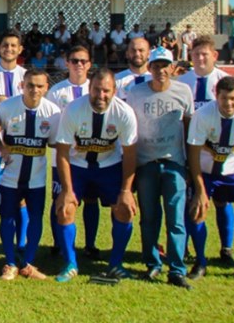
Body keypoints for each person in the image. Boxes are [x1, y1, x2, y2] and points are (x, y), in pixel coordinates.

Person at [54, 68, 138, 284]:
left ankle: (115, 264)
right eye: (96, 90)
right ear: (89, 88)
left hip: (110, 165)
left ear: (115, 90)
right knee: (65, 209)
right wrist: (66, 190)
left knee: (125, 210)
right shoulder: (73, 109)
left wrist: (126, 191)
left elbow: (130, 154)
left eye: (106, 91)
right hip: (78, 165)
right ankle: (70, 263)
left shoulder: (124, 112)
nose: (101, 96)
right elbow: (62, 151)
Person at [0, 68, 59, 281]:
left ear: (46, 88)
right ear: (22, 85)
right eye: (30, 85)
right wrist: (0, 147)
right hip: (10, 177)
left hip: (37, 178)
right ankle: (10, 263)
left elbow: (54, 142)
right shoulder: (7, 106)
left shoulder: (53, 112)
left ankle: (29, 263)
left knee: (35, 218)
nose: (34, 90)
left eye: (39, 86)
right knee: (8, 217)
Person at [125, 47, 194, 289]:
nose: (160, 70)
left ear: (172, 68)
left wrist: (188, 166)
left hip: (174, 163)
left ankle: (176, 268)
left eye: (165, 65)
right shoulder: (136, 93)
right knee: (149, 218)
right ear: (149, 68)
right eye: (156, 66)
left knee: (176, 220)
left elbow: (189, 130)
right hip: (146, 164)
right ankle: (152, 264)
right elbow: (130, 133)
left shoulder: (183, 91)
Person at [186, 76, 234, 282]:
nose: (228, 104)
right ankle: (200, 262)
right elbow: (193, 154)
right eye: (224, 98)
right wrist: (200, 191)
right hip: (206, 171)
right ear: (216, 96)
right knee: (197, 210)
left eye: (233, 99)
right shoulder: (202, 115)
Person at [175, 36, 234, 262]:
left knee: (223, 201)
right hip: (191, 155)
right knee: (191, 202)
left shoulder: (226, 81)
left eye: (205, 54)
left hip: (220, 155)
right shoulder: (182, 82)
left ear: (215, 56)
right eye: (196, 54)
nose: (200, 58)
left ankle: (226, 248)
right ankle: (188, 249)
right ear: (190, 56)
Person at [45, 46, 100, 258]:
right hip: (63, 157)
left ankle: (90, 244)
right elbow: (51, 124)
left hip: (91, 156)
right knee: (60, 199)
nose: (79, 65)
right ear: (66, 62)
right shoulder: (56, 91)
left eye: (83, 61)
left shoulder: (95, 89)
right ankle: (59, 244)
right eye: (74, 60)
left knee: (91, 200)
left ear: (89, 64)